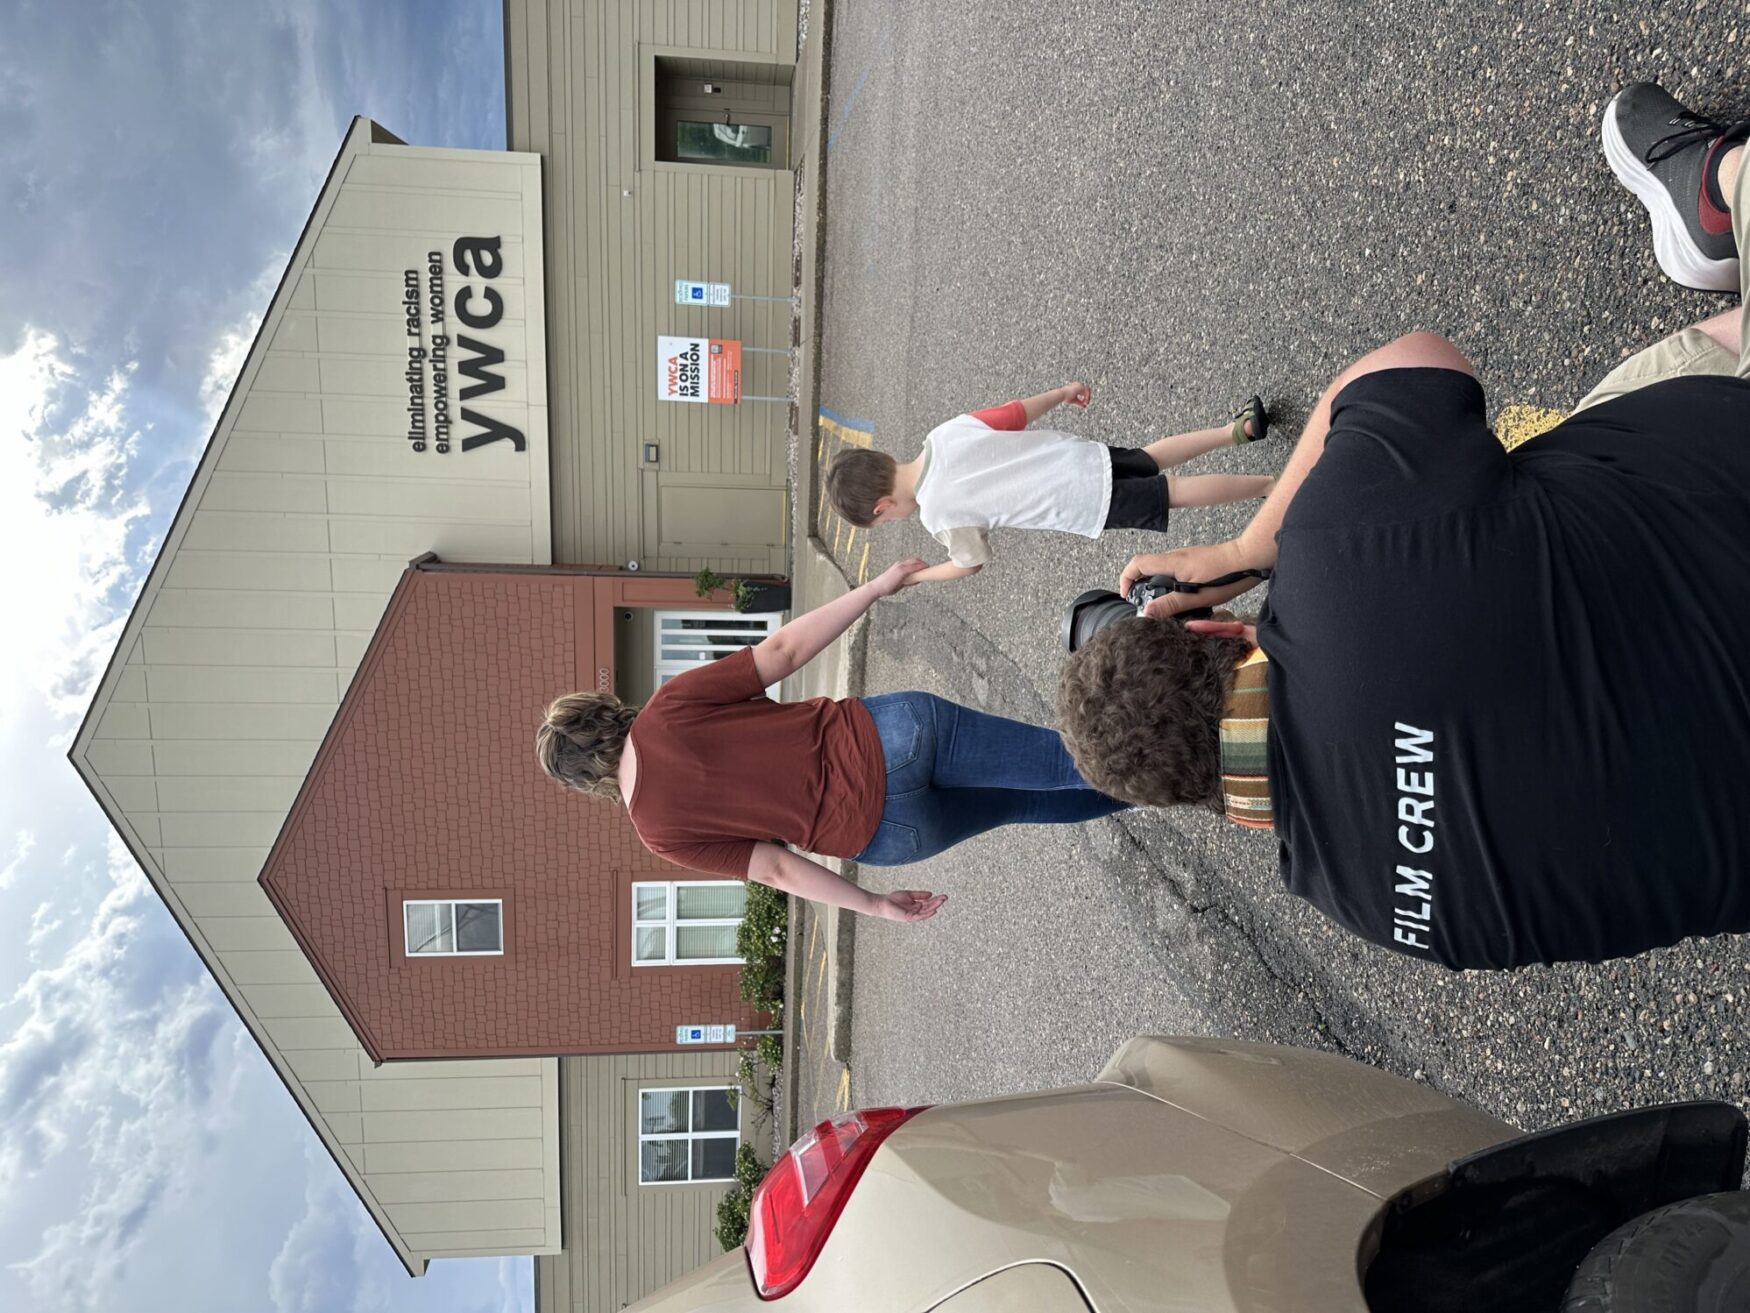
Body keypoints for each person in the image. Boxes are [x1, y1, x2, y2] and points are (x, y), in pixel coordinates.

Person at [1057, 81, 1750, 971]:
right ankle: (1715, 187)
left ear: (1190, 794)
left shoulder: (1378, 911)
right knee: (1552, 470)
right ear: (1219, 626)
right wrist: (1244, 548)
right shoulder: (1339, 560)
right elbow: (1410, 365)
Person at [535, 559, 1127, 925]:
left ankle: (1176, 786)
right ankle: (1192, 759)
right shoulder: (667, 710)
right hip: (889, 739)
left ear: (588, 779)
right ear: (600, 712)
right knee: (1060, 757)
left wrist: (874, 905)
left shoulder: (658, 834)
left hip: (884, 833)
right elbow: (783, 653)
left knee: (1023, 802)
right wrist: (872, 588)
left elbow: (777, 870)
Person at [822, 383, 1273, 587]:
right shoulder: (941, 434)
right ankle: (1237, 431)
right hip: (1078, 457)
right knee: (1151, 457)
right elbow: (1013, 414)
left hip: (1081, 501)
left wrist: (918, 577)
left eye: (885, 521)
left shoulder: (938, 515)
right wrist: (1060, 394)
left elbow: (970, 563)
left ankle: (1270, 487)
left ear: (882, 507)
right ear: (881, 460)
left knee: (1172, 493)